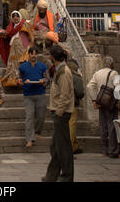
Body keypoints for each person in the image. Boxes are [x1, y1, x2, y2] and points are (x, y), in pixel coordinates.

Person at [42, 45, 74, 182]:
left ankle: (67, 176)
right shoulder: (59, 70)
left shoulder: (64, 72)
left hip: (61, 113)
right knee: (55, 147)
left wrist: (59, 112)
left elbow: (65, 95)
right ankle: (51, 176)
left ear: (53, 57)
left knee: (63, 147)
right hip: (57, 111)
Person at [86, 56, 120, 158]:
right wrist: (118, 102)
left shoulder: (98, 73)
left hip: (101, 102)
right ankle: (113, 151)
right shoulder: (114, 73)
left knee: (103, 126)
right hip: (111, 104)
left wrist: (94, 100)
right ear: (112, 64)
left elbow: (89, 86)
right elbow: (118, 89)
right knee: (112, 127)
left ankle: (104, 150)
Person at [18, 47, 49, 147]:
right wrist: (21, 82)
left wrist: (43, 81)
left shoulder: (43, 66)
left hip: (40, 93)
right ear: (29, 55)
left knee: (41, 116)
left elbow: (47, 79)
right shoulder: (22, 67)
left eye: (35, 54)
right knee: (29, 117)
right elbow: (18, 79)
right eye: (32, 54)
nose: (33, 56)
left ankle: (37, 131)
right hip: (28, 95)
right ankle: (29, 139)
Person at [0, 11, 33, 87]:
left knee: (20, 65)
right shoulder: (10, 27)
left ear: (20, 17)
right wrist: (3, 34)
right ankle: (13, 80)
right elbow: (7, 35)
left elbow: (30, 36)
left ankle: (22, 80)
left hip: (22, 49)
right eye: (13, 17)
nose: (15, 18)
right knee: (13, 66)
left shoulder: (24, 25)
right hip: (13, 49)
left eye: (17, 16)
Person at [67, 59, 85, 155]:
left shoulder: (63, 75)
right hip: (72, 104)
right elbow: (80, 92)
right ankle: (70, 147)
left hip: (62, 104)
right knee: (71, 125)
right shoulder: (76, 77)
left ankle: (75, 145)